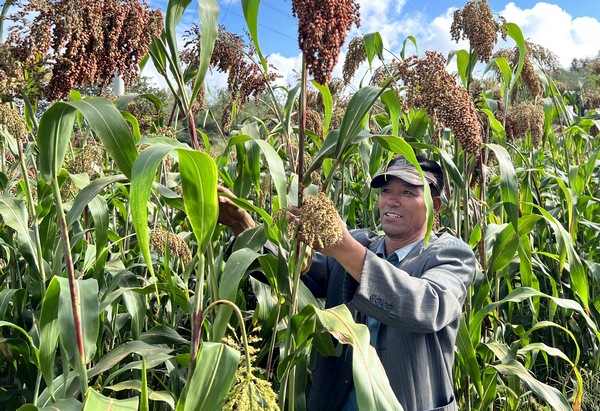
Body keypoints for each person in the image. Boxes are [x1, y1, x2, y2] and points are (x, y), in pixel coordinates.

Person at [218, 155, 476, 411]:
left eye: (408, 192)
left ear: (436, 206)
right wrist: (244, 226)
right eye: (386, 190)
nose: (392, 200)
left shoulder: (450, 255)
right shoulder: (363, 244)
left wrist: (344, 248)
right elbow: (291, 277)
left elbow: (427, 307)